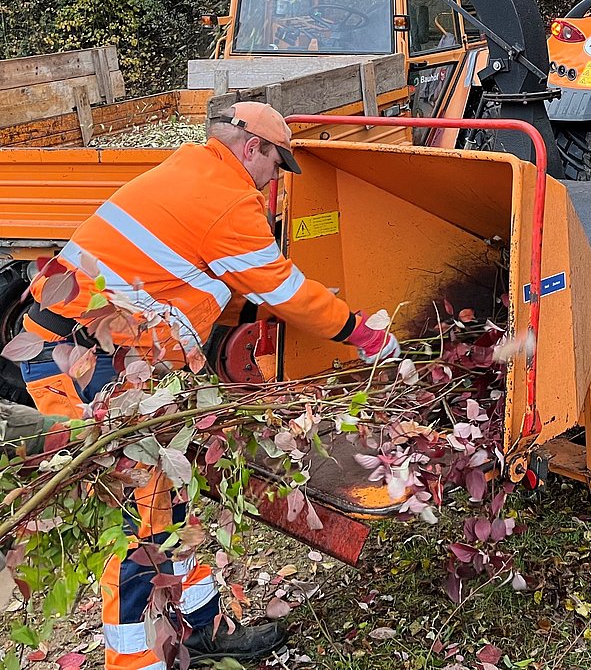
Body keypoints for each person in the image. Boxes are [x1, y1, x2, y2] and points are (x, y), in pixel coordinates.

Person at [19, 102, 398, 669]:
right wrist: (359, 333)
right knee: (137, 520)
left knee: (177, 498)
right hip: (81, 360)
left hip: (112, 354)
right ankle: (135, 662)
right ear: (252, 148)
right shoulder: (225, 199)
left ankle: (202, 632)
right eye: (278, 163)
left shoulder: (192, 169)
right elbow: (284, 291)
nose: (277, 178)